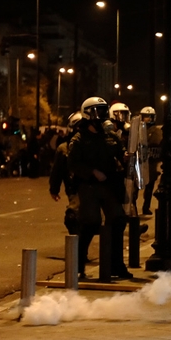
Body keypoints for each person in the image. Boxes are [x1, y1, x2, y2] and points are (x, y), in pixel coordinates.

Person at [68, 97, 132, 279]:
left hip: (109, 184)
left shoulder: (110, 137)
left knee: (118, 221)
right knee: (90, 223)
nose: (102, 116)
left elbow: (119, 153)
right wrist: (92, 171)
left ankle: (116, 265)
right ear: (87, 114)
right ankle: (78, 267)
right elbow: (73, 164)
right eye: (97, 112)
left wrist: (125, 157)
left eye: (103, 111)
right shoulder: (78, 139)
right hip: (89, 186)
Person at [49, 112, 84, 235]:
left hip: (93, 186)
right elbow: (57, 171)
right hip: (75, 188)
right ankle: (77, 250)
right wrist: (54, 189)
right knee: (73, 217)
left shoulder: (92, 144)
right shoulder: (64, 148)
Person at [139, 106, 162, 216]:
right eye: (146, 116)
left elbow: (159, 145)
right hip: (139, 161)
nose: (148, 119)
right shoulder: (138, 129)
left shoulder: (157, 131)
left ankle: (146, 207)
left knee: (149, 187)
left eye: (150, 116)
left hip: (152, 162)